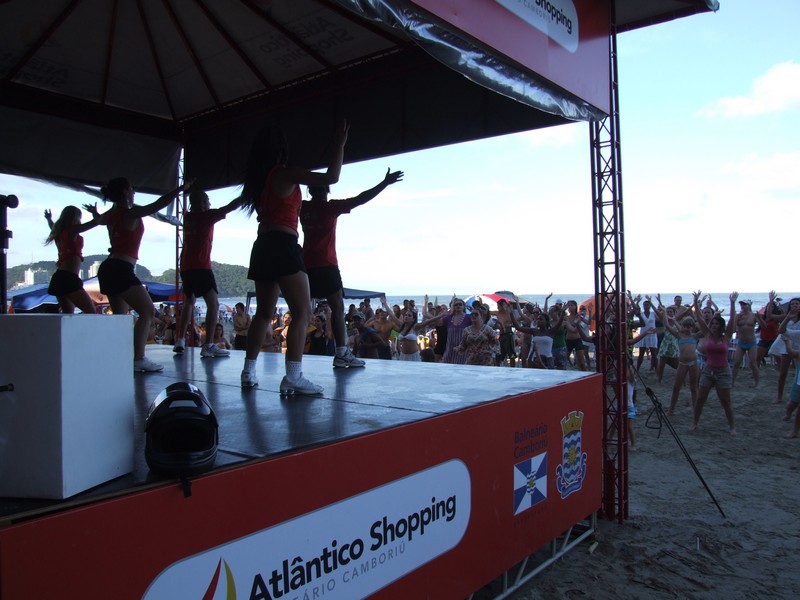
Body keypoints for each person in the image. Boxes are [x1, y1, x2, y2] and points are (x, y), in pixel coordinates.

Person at [238, 120, 349, 393]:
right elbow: (331, 177)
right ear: (281, 150)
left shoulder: (261, 181)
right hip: (283, 245)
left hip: (263, 245)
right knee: (303, 312)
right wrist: (339, 145)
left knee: (263, 313)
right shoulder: (284, 173)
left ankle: (248, 372)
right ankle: (293, 376)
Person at [88, 176, 193, 372]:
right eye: (131, 188)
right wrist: (180, 188)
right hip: (121, 268)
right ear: (125, 192)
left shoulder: (111, 214)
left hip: (109, 268)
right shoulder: (130, 213)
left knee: (120, 318)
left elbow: (99, 220)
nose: (134, 191)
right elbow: (157, 205)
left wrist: (95, 213)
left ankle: (120, 357)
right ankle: (139, 358)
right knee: (148, 312)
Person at [300, 168, 403, 368]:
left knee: (301, 313)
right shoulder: (330, 207)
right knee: (338, 308)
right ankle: (341, 353)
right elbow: (360, 199)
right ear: (327, 190)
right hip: (327, 265)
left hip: (306, 266)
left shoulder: (302, 207)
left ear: (309, 190)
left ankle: (294, 361)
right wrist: (384, 183)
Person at [173, 189, 242, 357]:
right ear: (203, 203)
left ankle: (180, 340)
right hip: (201, 266)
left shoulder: (187, 217)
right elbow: (229, 207)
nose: (210, 204)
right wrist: (246, 196)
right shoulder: (206, 216)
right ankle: (209, 344)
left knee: (189, 302)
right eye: (208, 200)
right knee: (213, 304)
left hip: (185, 266)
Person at [691, 291, 737, 435]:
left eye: (717, 323)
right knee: (700, 398)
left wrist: (732, 303)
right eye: (713, 323)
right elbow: (699, 317)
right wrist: (696, 301)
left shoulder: (726, 337)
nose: (714, 325)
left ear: (721, 326)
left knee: (725, 401)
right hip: (708, 370)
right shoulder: (707, 334)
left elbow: (732, 320)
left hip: (723, 371)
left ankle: (732, 427)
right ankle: (694, 423)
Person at [43, 206, 99, 314]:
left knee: (68, 313)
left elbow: (52, 226)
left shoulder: (58, 232)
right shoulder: (72, 230)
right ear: (75, 218)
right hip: (68, 278)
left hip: (60, 277)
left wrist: (49, 219)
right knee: (90, 311)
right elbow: (95, 222)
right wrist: (94, 212)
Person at [731, 298, 759, 387]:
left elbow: (762, 326)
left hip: (751, 342)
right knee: (736, 363)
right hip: (741, 342)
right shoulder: (738, 316)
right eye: (741, 304)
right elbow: (733, 330)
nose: (742, 306)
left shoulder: (753, 316)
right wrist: (736, 320)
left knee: (753, 363)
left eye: (744, 304)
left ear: (749, 305)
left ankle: (756, 383)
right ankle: (732, 382)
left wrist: (759, 318)